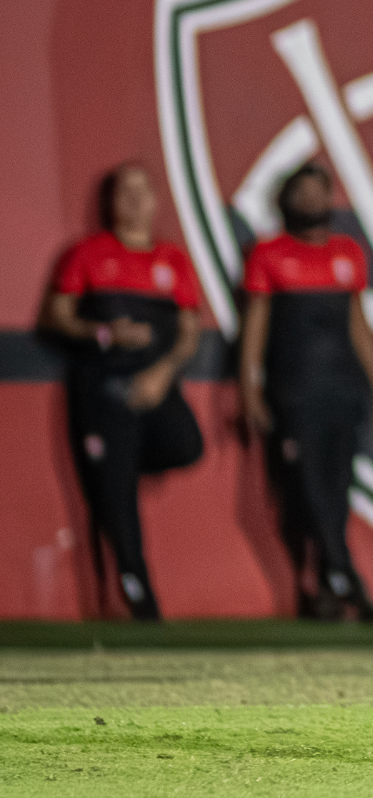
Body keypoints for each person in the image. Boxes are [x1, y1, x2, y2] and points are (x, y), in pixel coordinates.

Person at [39, 163, 204, 621]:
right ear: (111, 203)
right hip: (102, 388)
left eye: (141, 190)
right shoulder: (88, 254)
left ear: (155, 200)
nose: (133, 201)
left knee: (187, 444)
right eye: (123, 192)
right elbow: (56, 316)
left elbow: (190, 330)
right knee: (115, 497)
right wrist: (105, 333)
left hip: (151, 383)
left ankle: (123, 461)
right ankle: (137, 594)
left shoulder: (170, 259)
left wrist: (162, 374)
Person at [239, 162, 373, 622]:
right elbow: (256, 327)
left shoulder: (348, 253)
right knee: (304, 485)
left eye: (318, 192)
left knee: (337, 485)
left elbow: (359, 326)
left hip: (342, 388)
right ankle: (346, 578)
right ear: (286, 200)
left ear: (330, 199)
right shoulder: (267, 255)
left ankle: (325, 586)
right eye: (300, 192)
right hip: (294, 389)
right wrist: (250, 388)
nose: (310, 200)